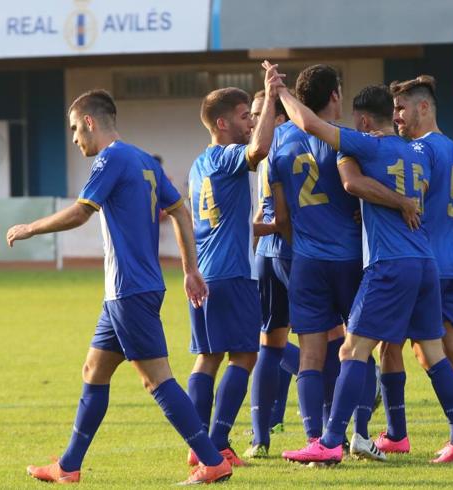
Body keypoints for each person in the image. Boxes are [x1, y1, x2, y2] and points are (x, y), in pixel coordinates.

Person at [6, 89, 232, 485]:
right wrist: (190, 269)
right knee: (94, 369)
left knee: (156, 379)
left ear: (91, 122)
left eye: (76, 129)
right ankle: (69, 466)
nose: (75, 138)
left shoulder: (110, 158)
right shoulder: (143, 158)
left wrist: (30, 227)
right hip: (127, 291)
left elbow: (80, 213)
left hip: (130, 289)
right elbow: (178, 207)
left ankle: (212, 461)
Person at [271, 74, 453, 465]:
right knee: (433, 353)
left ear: (364, 122)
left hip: (390, 264)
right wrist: (399, 199)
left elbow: (312, 125)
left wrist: (280, 93)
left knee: (353, 348)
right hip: (425, 263)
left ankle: (330, 442)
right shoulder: (419, 152)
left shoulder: (366, 145)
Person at [261, 63, 416, 462]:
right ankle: (360, 434)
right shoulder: (350, 139)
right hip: (351, 260)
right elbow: (365, 194)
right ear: (334, 95)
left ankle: (315, 440)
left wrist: (303, 245)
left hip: (306, 262)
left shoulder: (279, 141)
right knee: (359, 348)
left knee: (310, 355)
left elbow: (281, 216)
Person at [374, 75, 453, 457]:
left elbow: (409, 200)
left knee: (391, 345)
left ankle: (397, 434)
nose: (395, 115)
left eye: (401, 108)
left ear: (423, 107)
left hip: (424, 266)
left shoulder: (418, 151)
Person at [185, 68, 281, 467]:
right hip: (233, 275)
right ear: (222, 123)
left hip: (205, 274)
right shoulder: (226, 158)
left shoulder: (198, 165)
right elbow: (258, 151)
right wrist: (272, 95)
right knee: (245, 357)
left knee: (207, 358)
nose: (252, 123)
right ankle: (219, 442)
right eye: (246, 116)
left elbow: (225, 219)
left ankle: (197, 445)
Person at [245, 89, 301, 458]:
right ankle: (333, 432)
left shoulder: (263, 151)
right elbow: (288, 216)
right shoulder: (291, 144)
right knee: (327, 342)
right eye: (251, 113)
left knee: (270, 344)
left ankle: (259, 437)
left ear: (279, 116)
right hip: (292, 252)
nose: (253, 120)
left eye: (260, 112)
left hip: (265, 254)